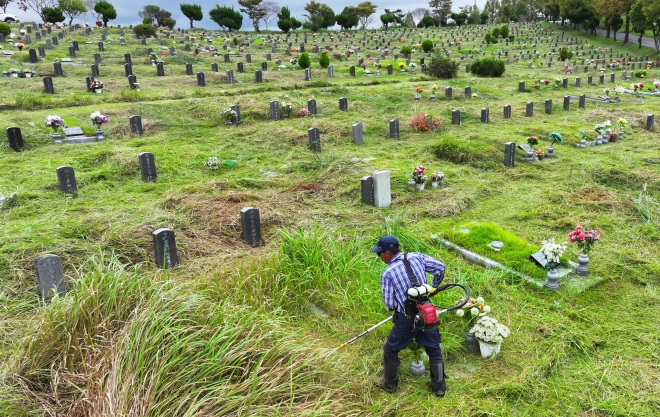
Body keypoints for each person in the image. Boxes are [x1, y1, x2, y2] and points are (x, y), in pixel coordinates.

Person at [371, 235, 447, 397]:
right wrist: (432, 288)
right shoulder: (416, 257)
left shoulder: (388, 273)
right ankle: (439, 387)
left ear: (388, 253)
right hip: (427, 311)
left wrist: (397, 309)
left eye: (380, 253)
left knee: (391, 349)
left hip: (406, 317)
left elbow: (390, 304)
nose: (379, 257)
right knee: (433, 348)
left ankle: (390, 384)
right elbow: (440, 267)